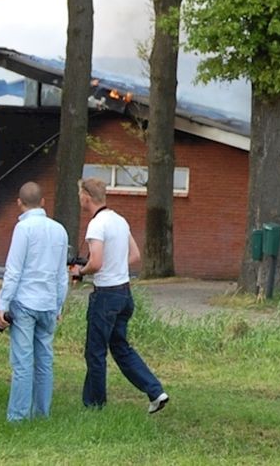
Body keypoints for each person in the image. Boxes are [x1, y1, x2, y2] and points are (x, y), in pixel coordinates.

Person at [72, 177, 169, 414]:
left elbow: (95, 262)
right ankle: (155, 391)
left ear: (86, 196)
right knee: (120, 347)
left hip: (105, 296)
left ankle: (94, 405)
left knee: (95, 351)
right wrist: (115, 267)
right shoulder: (120, 220)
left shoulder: (96, 225)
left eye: (79, 196)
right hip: (124, 294)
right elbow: (135, 255)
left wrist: (79, 271)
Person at [0, 181, 69, 422]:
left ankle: (18, 416)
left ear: (19, 203)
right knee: (45, 361)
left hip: (25, 303)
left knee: (23, 362)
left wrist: (3, 305)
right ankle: (42, 414)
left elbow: (14, 270)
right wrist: (59, 304)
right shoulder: (59, 230)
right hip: (48, 303)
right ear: (43, 202)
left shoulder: (23, 230)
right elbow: (61, 274)